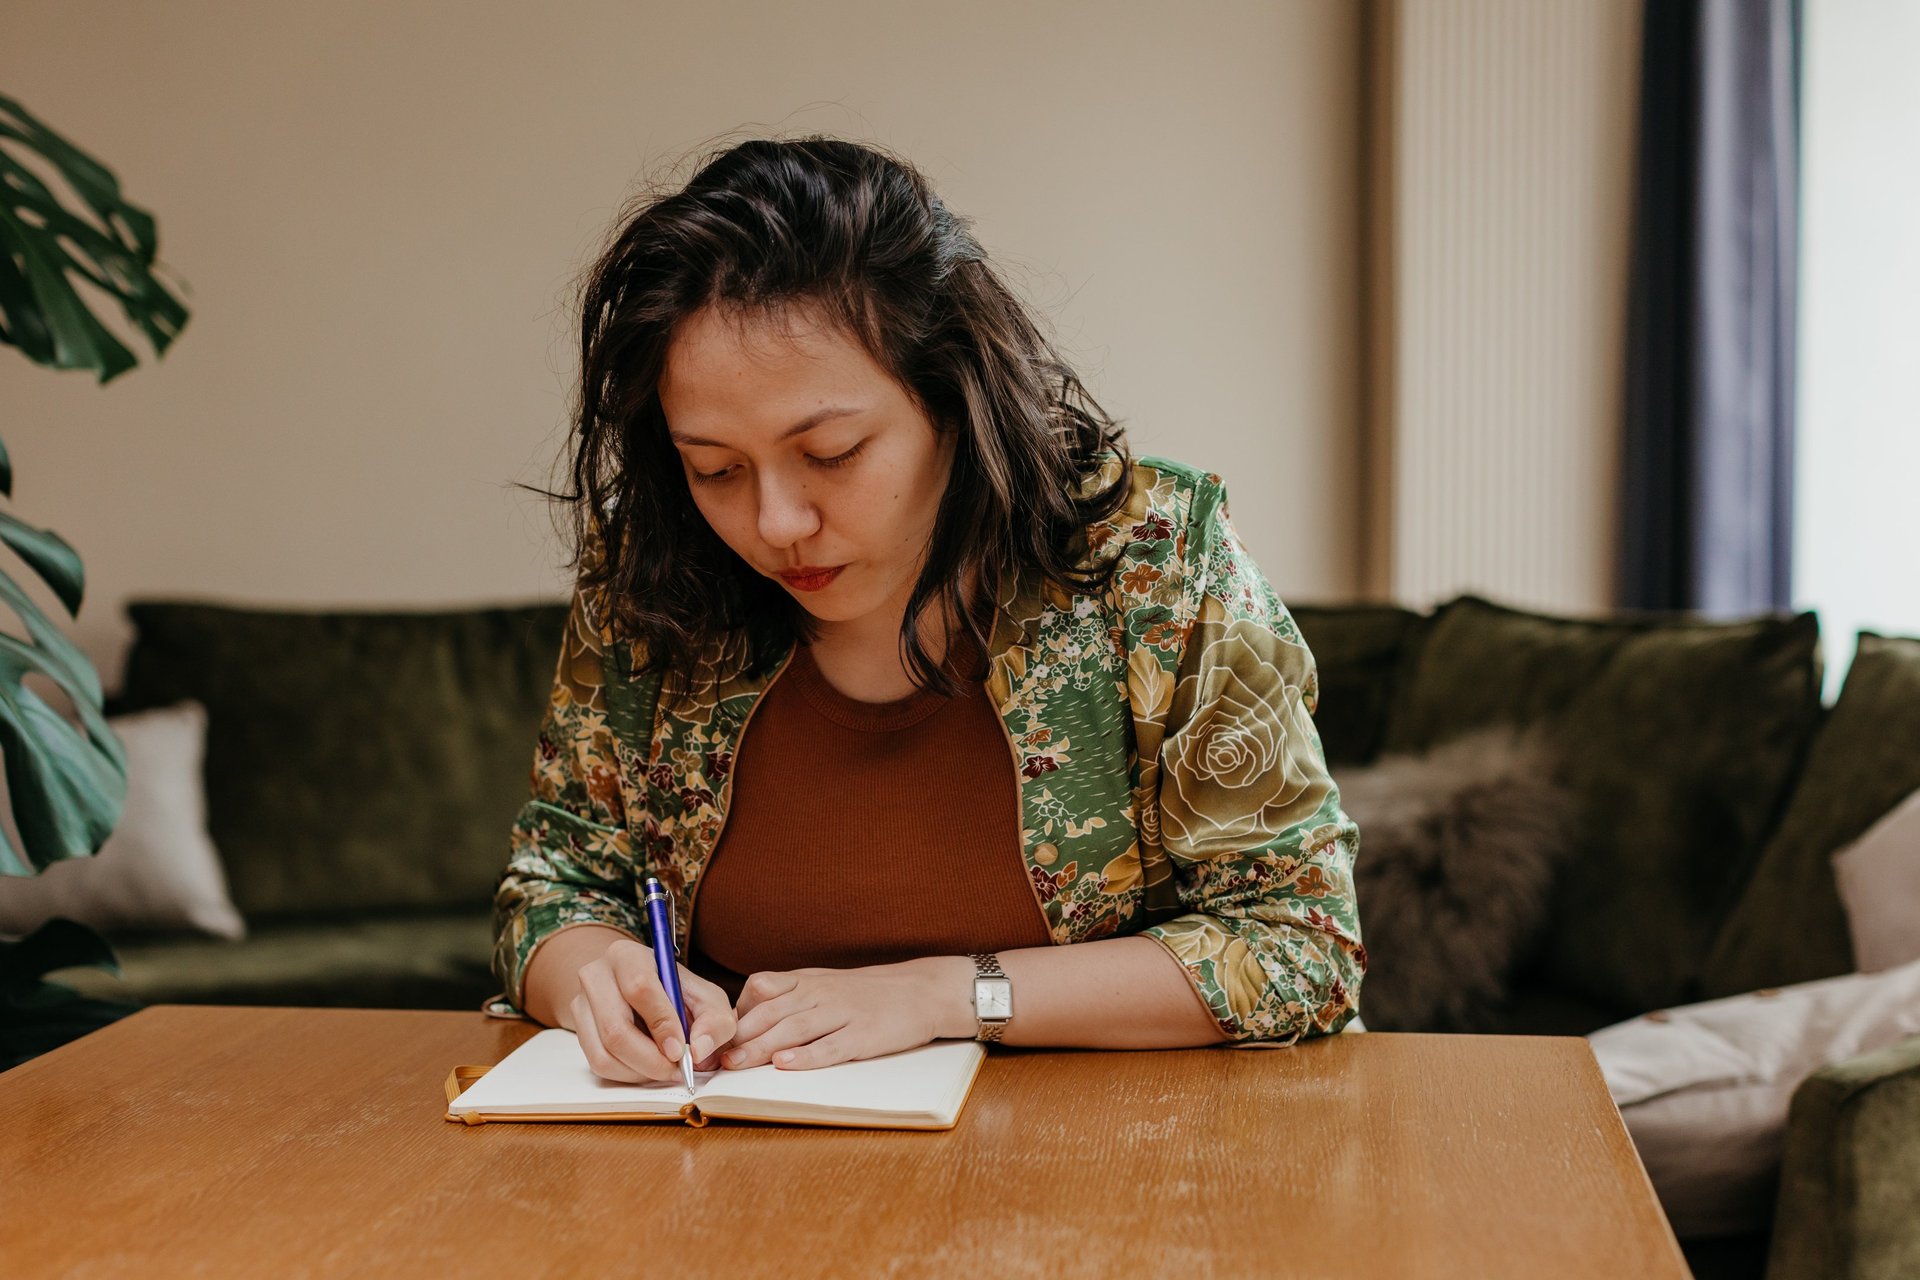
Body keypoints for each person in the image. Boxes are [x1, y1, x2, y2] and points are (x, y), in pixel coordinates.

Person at [489, 136, 1366, 1083]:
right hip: (734, 1180)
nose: (776, 522)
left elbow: (1298, 945)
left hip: (1108, 1173)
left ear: (954, 397)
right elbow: (552, 889)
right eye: (716, 468)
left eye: (830, 453)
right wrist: (597, 973)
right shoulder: (655, 581)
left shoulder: (1155, 565)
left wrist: (947, 993)